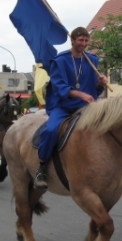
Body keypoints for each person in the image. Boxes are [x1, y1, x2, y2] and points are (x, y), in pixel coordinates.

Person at [35, 27, 108, 189]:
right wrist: (81, 95)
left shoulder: (92, 60)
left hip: (85, 107)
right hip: (63, 106)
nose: (84, 44)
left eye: (86, 41)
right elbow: (59, 87)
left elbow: (93, 90)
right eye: (81, 40)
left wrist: (100, 84)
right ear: (72, 40)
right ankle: (42, 167)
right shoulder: (59, 61)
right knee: (50, 130)